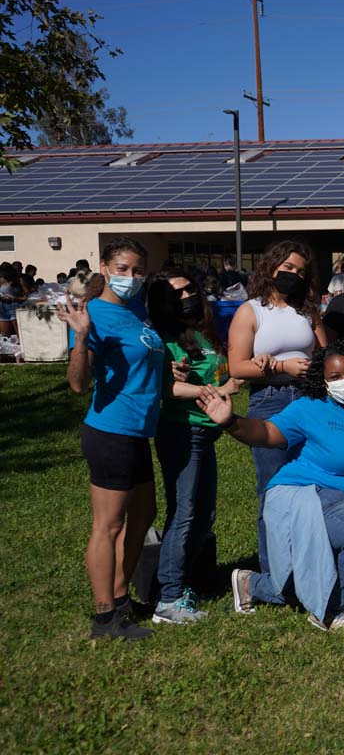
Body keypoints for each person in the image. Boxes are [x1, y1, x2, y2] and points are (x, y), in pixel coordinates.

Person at [200, 340, 344, 631]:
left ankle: (251, 584)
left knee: (305, 583)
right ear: (323, 381)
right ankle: (328, 611)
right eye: (335, 377)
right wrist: (231, 422)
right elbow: (267, 432)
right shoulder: (309, 408)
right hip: (303, 493)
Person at [56, 238, 167, 641]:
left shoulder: (136, 310)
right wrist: (82, 338)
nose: (130, 277)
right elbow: (77, 384)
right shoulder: (94, 314)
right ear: (105, 268)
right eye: (122, 269)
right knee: (108, 524)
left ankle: (121, 598)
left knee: (144, 514)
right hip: (110, 431)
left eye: (138, 271)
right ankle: (105, 618)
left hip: (138, 431)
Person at [226, 241, 327, 589]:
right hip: (270, 400)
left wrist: (315, 368)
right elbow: (236, 366)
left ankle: (308, 568)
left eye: (300, 272)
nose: (294, 276)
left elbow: (325, 355)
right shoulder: (250, 311)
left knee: (312, 488)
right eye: (288, 268)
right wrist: (280, 366)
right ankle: (275, 576)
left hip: (310, 400)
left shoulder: (308, 311)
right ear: (271, 268)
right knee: (273, 489)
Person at [146, 270, 241, 625]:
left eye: (190, 289)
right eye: (177, 292)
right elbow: (166, 389)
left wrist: (232, 381)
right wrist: (215, 392)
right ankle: (168, 597)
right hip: (181, 432)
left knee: (204, 514)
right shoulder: (162, 337)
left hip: (205, 432)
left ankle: (182, 582)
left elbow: (215, 377)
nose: (186, 296)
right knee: (183, 513)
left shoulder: (203, 332)